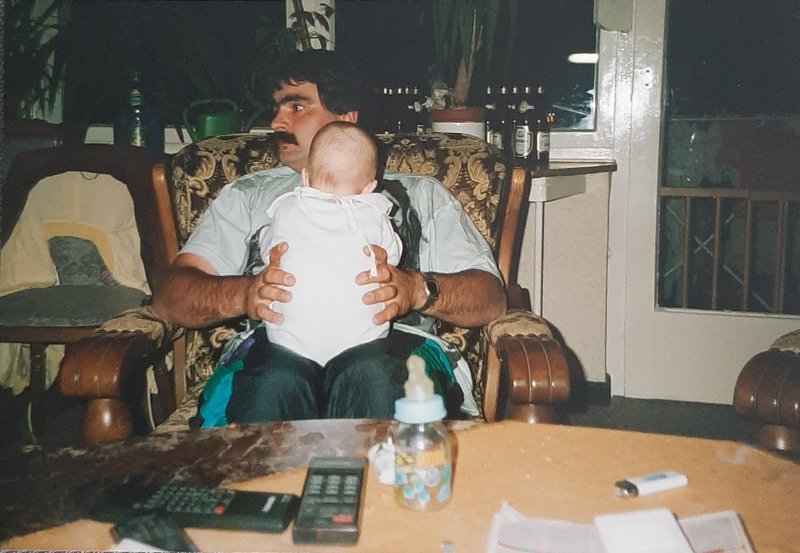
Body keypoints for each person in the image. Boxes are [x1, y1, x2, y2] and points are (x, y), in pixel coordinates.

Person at [150, 49, 507, 426]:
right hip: (274, 348)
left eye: (297, 106)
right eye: (276, 109)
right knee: (272, 384)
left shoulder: (422, 193)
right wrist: (244, 294)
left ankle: (385, 468)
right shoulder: (248, 195)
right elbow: (171, 298)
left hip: (397, 347)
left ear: (346, 117)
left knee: (372, 377)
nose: (276, 122)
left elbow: (491, 297)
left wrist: (417, 290)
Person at [259, 120, 403, 366]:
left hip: (288, 342)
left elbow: (269, 254)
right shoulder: (374, 213)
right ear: (370, 187)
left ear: (305, 177)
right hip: (363, 341)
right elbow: (392, 257)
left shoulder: (286, 207)